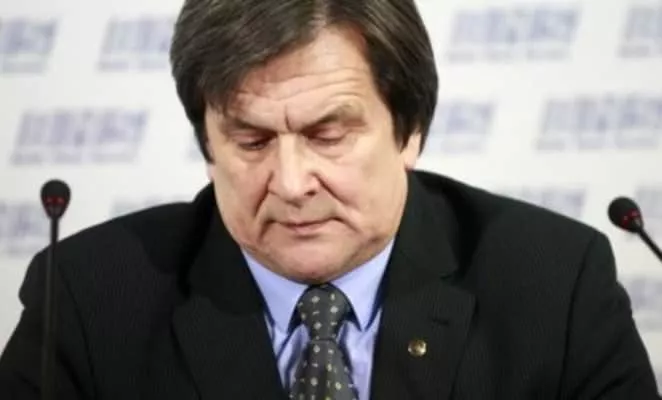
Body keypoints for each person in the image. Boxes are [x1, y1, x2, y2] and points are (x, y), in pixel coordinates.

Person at [1, 0, 660, 398]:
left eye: (328, 135)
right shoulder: (87, 300)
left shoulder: (554, 284)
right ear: (207, 143)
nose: (291, 184)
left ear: (410, 131)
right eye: (252, 141)